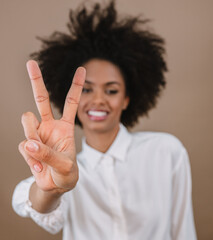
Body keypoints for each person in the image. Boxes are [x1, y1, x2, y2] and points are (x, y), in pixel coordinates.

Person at [12, 1, 197, 239]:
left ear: (127, 99)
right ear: (72, 97)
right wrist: (54, 188)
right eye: (86, 90)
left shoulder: (166, 151)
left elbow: (183, 230)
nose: (98, 100)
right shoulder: (64, 169)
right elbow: (32, 201)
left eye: (111, 90)